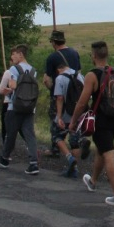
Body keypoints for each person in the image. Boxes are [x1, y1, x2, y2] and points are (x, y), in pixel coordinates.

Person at [68, 41, 114, 207]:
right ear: (107, 54)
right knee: (101, 149)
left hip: (101, 121)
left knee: (109, 154)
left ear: (93, 56)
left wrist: (74, 121)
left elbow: (82, 103)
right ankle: (93, 181)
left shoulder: (92, 75)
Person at [0, 44, 40, 175]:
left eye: (14, 54)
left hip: (15, 106)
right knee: (29, 134)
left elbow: (13, 85)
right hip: (29, 107)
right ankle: (33, 163)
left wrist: (8, 90)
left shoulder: (14, 69)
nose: (12, 57)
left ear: (21, 54)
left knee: (11, 133)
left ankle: (5, 157)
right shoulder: (33, 70)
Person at [43, 30, 82, 158]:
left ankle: (55, 148)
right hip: (75, 95)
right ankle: (75, 144)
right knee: (73, 119)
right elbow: (79, 73)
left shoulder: (52, 57)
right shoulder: (75, 53)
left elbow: (46, 79)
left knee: (56, 121)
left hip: (59, 93)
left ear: (54, 42)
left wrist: (52, 90)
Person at [52, 59, 88, 177]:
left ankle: (70, 159)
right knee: (74, 142)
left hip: (66, 114)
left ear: (59, 69)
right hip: (79, 113)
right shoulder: (80, 76)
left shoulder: (60, 78)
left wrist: (59, 116)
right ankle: (74, 170)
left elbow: (59, 98)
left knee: (57, 136)